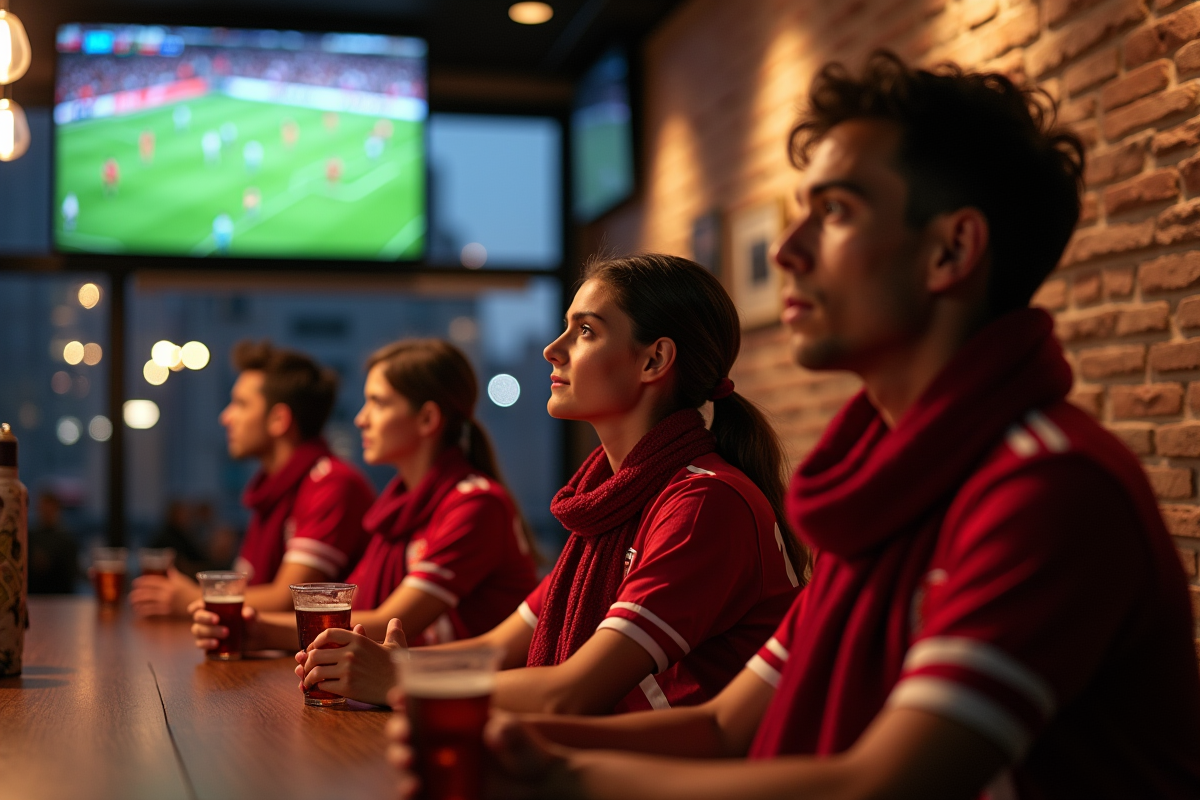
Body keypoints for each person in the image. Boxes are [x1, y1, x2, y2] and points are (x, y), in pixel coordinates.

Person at [394, 52, 1200, 799]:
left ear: (951, 251)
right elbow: (722, 727)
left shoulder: (1046, 487)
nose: (786, 250)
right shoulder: (877, 488)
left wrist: (559, 774)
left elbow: (874, 788)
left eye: (836, 211)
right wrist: (521, 747)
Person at [297, 255, 805, 709]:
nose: (551, 350)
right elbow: (497, 648)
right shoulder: (608, 500)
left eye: (585, 331)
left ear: (654, 360)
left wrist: (399, 680)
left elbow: (574, 690)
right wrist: (389, 669)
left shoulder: (703, 502)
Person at [191, 339, 539, 653]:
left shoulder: (475, 503)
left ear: (428, 418)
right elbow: (361, 612)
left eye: (378, 402)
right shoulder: (397, 508)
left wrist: (257, 629)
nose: (360, 419)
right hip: (414, 688)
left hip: (464, 699)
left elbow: (391, 624)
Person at [131, 341, 376, 618]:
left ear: (278, 419)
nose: (226, 417)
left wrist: (196, 597)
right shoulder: (272, 489)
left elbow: (289, 598)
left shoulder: (331, 484)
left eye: (240, 404)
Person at [27, 491, 78, 595]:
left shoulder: (66, 539)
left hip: (60, 596)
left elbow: (71, 574)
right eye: (43, 509)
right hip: (34, 596)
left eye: (49, 509)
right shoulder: (29, 536)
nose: (45, 512)